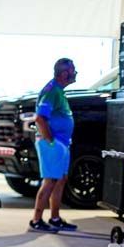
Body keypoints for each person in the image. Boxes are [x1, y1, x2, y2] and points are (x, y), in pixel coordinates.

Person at [29, 58, 78, 233]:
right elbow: (40, 118)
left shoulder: (59, 91)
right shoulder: (51, 91)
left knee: (59, 180)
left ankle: (55, 218)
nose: (75, 73)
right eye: (73, 70)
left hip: (62, 143)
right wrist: (50, 141)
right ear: (64, 73)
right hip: (53, 143)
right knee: (50, 181)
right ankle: (36, 220)